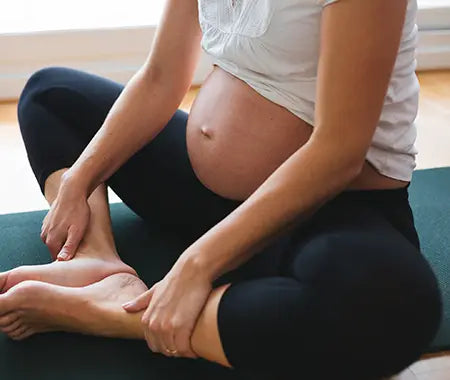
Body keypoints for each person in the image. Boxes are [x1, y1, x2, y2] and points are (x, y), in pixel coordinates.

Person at [0, 0, 442, 378]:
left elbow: (339, 152)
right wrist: (80, 180)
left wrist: (196, 264)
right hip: (208, 192)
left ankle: (118, 314)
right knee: (50, 94)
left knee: (394, 307)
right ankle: (98, 265)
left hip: (328, 209)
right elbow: (160, 77)